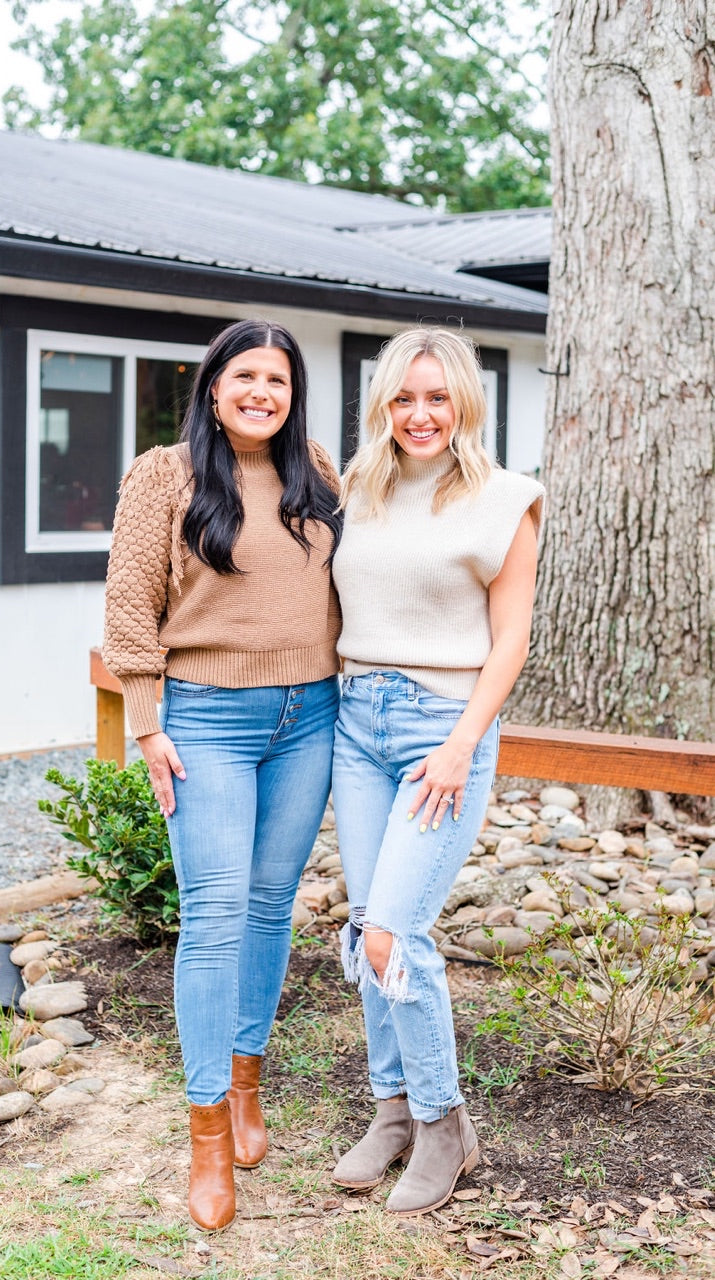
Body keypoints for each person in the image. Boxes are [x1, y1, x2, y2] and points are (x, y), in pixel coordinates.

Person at [102, 319, 342, 1232]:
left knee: (272, 904)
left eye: (277, 379)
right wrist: (147, 724)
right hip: (206, 718)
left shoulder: (314, 467)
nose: (261, 392)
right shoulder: (163, 473)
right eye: (245, 375)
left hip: (309, 715)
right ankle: (206, 1133)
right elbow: (130, 603)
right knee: (213, 917)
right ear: (213, 386)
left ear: (292, 393)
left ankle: (247, 1083)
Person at [330, 325, 543, 1216]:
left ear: (465, 401)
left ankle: (444, 1125)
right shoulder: (357, 487)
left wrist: (460, 743)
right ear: (383, 402)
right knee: (364, 926)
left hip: (438, 733)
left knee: (394, 934)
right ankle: (390, 1113)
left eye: (436, 397)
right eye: (403, 397)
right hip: (355, 725)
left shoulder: (507, 499)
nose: (419, 414)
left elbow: (512, 638)